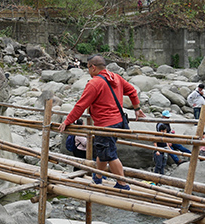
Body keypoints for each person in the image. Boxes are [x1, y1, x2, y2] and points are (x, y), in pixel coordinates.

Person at [59, 55, 146, 190]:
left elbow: (80, 105)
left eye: (88, 67)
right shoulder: (115, 77)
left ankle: (122, 184)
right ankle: (98, 177)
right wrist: (137, 108)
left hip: (105, 125)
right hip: (118, 122)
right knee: (103, 150)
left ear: (93, 67)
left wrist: (67, 121)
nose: (88, 71)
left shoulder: (94, 83)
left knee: (110, 154)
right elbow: (132, 91)